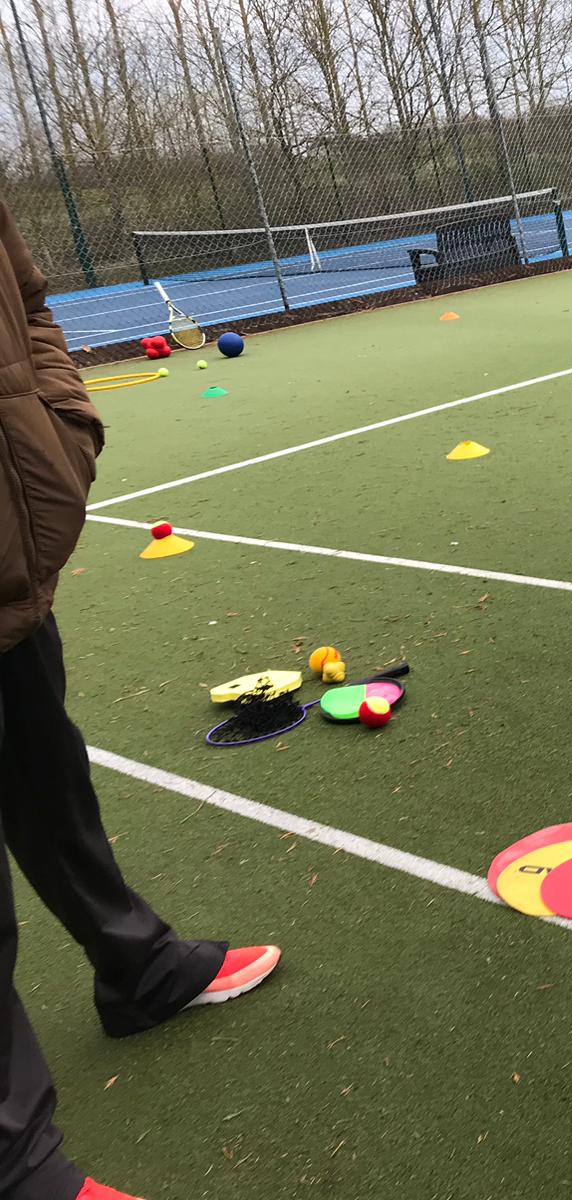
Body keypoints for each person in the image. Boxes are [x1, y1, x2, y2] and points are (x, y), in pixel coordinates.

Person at [0, 199, 281, 1200]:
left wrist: (57, 438)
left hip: (10, 556)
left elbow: (23, 299)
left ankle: (137, 968)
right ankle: (16, 1170)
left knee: (47, 777)